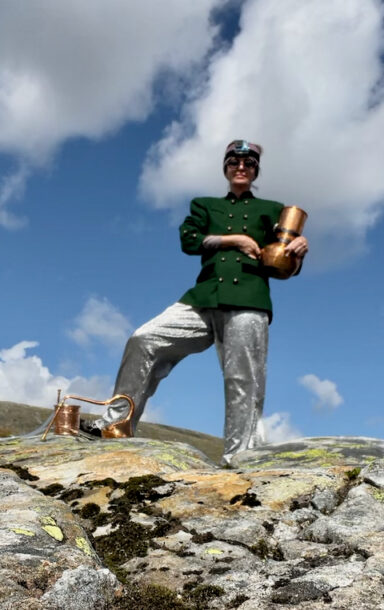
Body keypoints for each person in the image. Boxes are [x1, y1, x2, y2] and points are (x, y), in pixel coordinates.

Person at [83, 140, 308, 464]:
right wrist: (233, 240)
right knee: (143, 339)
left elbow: (283, 266)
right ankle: (115, 425)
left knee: (243, 378)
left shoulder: (273, 209)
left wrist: (296, 252)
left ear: (256, 170)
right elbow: (189, 240)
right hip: (203, 296)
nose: (241, 167)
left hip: (248, 298)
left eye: (248, 163)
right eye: (234, 162)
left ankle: (240, 458)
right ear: (225, 167)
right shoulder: (204, 205)